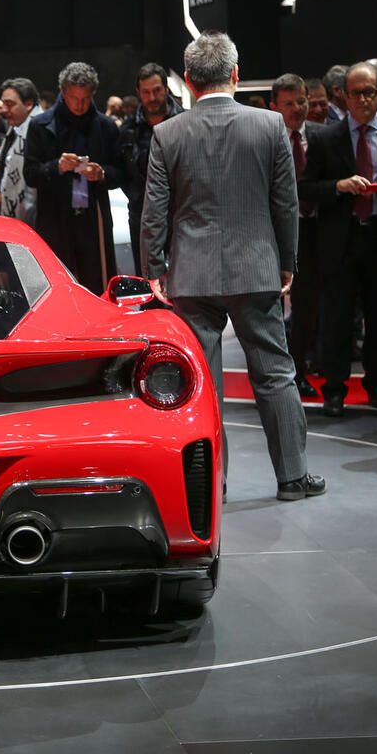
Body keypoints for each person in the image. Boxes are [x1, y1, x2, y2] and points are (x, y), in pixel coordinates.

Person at [141, 31, 322, 501]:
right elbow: (286, 204)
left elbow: (154, 209)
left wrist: (153, 268)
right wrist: (286, 264)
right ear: (235, 76)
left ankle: (208, 489)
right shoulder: (269, 126)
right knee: (276, 375)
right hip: (255, 267)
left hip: (191, 276)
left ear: (189, 83)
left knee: (200, 386)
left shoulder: (167, 133)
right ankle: (293, 478)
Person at [298, 62, 377, 417]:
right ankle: (334, 390)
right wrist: (338, 186)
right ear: (344, 96)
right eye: (355, 93)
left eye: (369, 92)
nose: (362, 99)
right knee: (337, 319)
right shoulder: (325, 137)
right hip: (342, 240)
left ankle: (376, 384)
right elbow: (305, 188)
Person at [24, 61, 124, 293]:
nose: (79, 105)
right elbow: (30, 175)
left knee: (98, 288)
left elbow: (121, 174)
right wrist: (55, 166)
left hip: (93, 221)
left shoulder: (106, 126)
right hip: (55, 220)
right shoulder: (40, 125)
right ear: (63, 93)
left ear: (93, 95)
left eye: (86, 98)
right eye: (74, 98)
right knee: (58, 288)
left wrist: (102, 174)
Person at [269, 73, 321, 398]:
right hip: (272, 236)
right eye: (289, 103)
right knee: (271, 310)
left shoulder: (322, 135)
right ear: (275, 107)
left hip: (313, 233)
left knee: (306, 308)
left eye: (301, 101)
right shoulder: (265, 138)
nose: (297, 108)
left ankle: (299, 371)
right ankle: (274, 375)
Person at [119, 62, 185, 277]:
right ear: (138, 93)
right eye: (146, 92)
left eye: (157, 90)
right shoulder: (128, 129)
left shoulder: (186, 122)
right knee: (147, 280)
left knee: (185, 281)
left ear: (166, 88)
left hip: (182, 214)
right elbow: (122, 171)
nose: (152, 97)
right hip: (142, 214)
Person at [0, 77, 43, 226]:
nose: (3, 109)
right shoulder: (16, 129)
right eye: (3, 103)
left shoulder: (41, 130)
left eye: (9, 104)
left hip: (36, 220)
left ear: (28, 104)